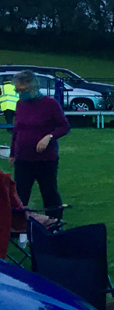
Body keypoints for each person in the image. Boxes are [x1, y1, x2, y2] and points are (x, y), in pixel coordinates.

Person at [9, 70, 70, 219]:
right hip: (23, 159)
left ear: (33, 87)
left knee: (49, 193)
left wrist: (48, 137)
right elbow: (17, 129)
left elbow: (64, 127)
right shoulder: (20, 104)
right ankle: (19, 227)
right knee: (19, 195)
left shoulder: (49, 104)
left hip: (45, 159)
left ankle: (55, 223)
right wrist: (12, 153)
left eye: (22, 90)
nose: (19, 93)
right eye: (17, 90)